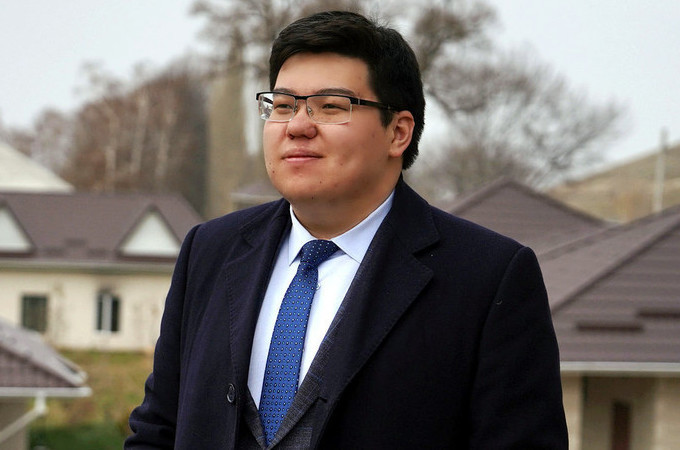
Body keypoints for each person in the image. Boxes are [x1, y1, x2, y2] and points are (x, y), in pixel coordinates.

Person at [126, 10, 567, 449]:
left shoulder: (486, 277)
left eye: (331, 107)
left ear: (398, 132)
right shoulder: (210, 250)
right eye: (283, 105)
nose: (297, 126)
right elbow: (157, 431)